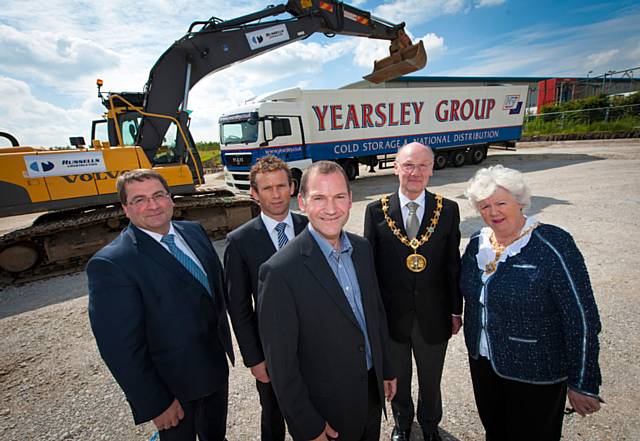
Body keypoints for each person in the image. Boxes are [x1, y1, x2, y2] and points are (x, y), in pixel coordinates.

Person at [87, 169, 234, 441]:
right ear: (125, 209)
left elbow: (213, 294)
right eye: (140, 200)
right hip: (174, 392)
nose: (153, 205)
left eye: (158, 195)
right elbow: (120, 348)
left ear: (171, 199)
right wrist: (156, 403)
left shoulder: (194, 232)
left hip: (214, 370)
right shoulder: (112, 264)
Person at [460, 165, 602, 441]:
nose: (493, 212)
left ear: (520, 202)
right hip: (484, 364)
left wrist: (583, 382)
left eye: (501, 203)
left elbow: (581, 316)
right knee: (496, 431)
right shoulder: (477, 243)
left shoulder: (552, 243)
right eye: (485, 206)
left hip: (536, 371)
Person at [258, 161, 397, 441]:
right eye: (319, 198)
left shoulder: (362, 248)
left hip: (371, 393)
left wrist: (386, 369)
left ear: (350, 199)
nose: (331, 208)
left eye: (339, 197)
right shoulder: (279, 271)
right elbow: (282, 365)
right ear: (302, 202)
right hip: (325, 411)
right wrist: (307, 425)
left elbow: (375, 313)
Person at [363, 142, 462, 441]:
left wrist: (456, 310)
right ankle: (402, 422)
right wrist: (374, 318)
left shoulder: (448, 210)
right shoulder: (375, 211)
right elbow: (371, 271)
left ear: (432, 169)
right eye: (408, 165)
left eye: (422, 165)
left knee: (431, 379)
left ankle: (430, 425)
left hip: (434, 314)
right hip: (392, 318)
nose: (415, 172)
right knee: (399, 377)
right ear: (396, 168)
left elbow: (452, 265)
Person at [224, 156, 307, 440]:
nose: (276, 194)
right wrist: (254, 359)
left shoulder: (312, 227)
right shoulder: (240, 241)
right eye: (267, 188)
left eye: (281, 186)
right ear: (254, 193)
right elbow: (238, 308)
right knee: (274, 414)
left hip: (316, 343)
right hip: (271, 350)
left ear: (292, 187)